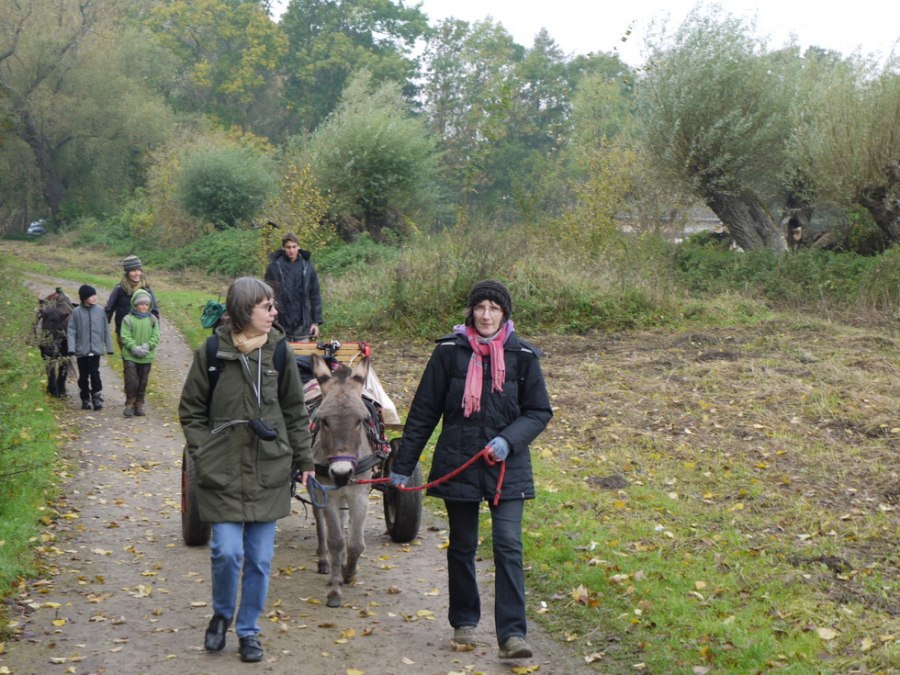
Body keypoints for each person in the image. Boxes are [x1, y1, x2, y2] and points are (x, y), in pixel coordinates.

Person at [389, 280, 552, 660]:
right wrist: (403, 465)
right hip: (458, 460)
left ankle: (513, 635)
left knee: (508, 545)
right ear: (471, 311)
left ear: (505, 313)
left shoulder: (523, 355)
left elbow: (539, 411)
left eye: (494, 308)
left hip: (506, 466)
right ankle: (464, 621)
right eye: (480, 307)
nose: (486, 315)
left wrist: (509, 440)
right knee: (462, 544)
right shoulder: (448, 352)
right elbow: (424, 411)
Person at [178, 277, 315, 663]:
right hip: (221, 471)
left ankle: (249, 630)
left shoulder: (279, 352)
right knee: (226, 551)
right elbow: (191, 410)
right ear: (243, 310)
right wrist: (204, 452)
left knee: (260, 559)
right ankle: (222, 614)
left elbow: (294, 410)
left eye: (273, 306)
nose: (274, 313)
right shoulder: (211, 353)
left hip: (268, 470)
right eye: (266, 307)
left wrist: (305, 460)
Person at [263, 232, 322, 341]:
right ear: (283, 248)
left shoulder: (307, 267)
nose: (291, 250)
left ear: (299, 247)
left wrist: (316, 322)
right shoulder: (274, 267)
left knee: (303, 352)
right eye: (288, 247)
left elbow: (315, 295)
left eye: (294, 247)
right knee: (281, 352)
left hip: (303, 324)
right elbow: (266, 296)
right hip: (280, 323)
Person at [67, 284, 114, 410]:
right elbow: (71, 331)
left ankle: (96, 396)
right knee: (83, 376)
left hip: (96, 349)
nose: (94, 298)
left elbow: (105, 330)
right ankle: (85, 397)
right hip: (82, 350)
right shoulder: (76, 312)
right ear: (84, 298)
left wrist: (109, 347)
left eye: (94, 295)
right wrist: (71, 348)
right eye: (91, 296)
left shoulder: (100, 311)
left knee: (95, 373)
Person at [119, 289, 160, 418]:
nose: (143, 307)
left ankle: (139, 404)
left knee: (143, 381)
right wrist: (134, 347)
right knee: (132, 380)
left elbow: (156, 336)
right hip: (130, 355)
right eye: (141, 304)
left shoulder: (153, 319)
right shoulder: (128, 319)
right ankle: (130, 404)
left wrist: (147, 346)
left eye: (146, 304)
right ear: (135, 304)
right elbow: (125, 336)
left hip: (147, 355)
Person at [105, 255, 160, 349]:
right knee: (127, 358)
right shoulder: (119, 289)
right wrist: (103, 328)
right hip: (124, 332)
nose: (137, 273)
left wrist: (156, 330)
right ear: (127, 272)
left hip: (144, 332)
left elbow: (155, 310)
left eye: (138, 270)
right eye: (133, 271)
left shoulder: (147, 289)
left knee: (144, 357)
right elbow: (109, 310)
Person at [30, 287, 74, 398]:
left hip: (62, 332)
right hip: (49, 324)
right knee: (37, 320)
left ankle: (61, 386)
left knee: (65, 357)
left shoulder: (66, 317)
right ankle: (52, 386)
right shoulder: (47, 310)